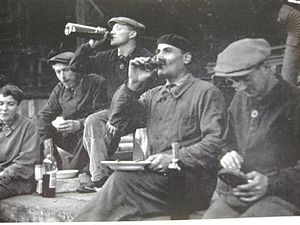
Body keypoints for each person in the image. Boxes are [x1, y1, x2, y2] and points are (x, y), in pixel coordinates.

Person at [73, 34, 226, 221]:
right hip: (158, 179)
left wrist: (172, 158)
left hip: (191, 184)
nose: (159, 56)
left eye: (167, 51)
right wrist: (132, 84)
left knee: (121, 183)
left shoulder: (206, 92)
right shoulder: (153, 95)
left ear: (186, 58)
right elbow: (118, 121)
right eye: (158, 51)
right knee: (119, 200)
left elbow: (215, 142)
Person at [203, 38, 300, 218]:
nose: (240, 87)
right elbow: (225, 142)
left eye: (245, 79)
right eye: (233, 81)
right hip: (243, 192)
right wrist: (227, 154)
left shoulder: (295, 102)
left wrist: (270, 182)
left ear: (267, 68)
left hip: (286, 196)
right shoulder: (240, 100)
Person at [70, 17, 161, 190]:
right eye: (112, 29)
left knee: (107, 121)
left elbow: (150, 95)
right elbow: (76, 66)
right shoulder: (109, 56)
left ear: (132, 34)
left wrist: (117, 117)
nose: (112, 32)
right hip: (114, 113)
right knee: (93, 120)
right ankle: (100, 177)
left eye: (119, 29)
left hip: (141, 112)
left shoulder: (145, 57)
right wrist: (90, 45)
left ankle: (96, 174)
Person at [35, 52, 107, 172]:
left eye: (66, 70)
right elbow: (43, 115)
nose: (62, 76)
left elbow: (104, 114)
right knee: (37, 126)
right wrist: (47, 141)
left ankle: (74, 169)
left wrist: (79, 124)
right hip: (69, 138)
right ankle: (52, 165)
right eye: (58, 72)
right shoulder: (60, 88)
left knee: (72, 169)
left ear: (77, 68)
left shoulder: (96, 82)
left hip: (93, 139)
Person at [0, 84, 39, 200]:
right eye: (1, 103)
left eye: (10, 104)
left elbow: (26, 162)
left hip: (17, 179)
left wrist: (4, 174)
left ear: (18, 106)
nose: (4, 108)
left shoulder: (29, 127)